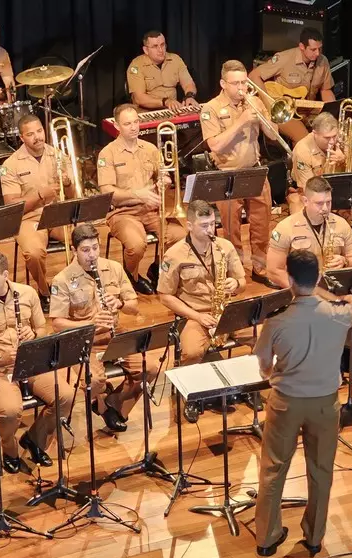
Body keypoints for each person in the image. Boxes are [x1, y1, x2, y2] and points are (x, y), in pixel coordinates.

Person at [253, 249, 352, 558]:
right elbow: (351, 313)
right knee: (321, 470)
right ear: (319, 277)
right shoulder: (341, 314)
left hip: (286, 403)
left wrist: (273, 370)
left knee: (273, 470)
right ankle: (313, 538)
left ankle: (267, 539)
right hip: (325, 403)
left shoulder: (277, 321)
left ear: (291, 280)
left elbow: (264, 364)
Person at [267, 176, 352, 398]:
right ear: (305, 201)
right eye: (319, 203)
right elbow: (273, 270)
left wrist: (345, 262)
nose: (325, 208)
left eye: (328, 202)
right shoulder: (286, 227)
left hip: (338, 288)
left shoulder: (339, 224)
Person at [0, 251, 74, 474]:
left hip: (31, 363)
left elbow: (42, 330)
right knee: (9, 411)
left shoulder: (28, 294)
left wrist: (33, 334)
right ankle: (9, 450)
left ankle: (34, 439)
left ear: (5, 275)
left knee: (65, 396)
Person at [49, 224, 160, 432]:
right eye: (85, 250)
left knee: (150, 367)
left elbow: (134, 307)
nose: (92, 255)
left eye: (95, 248)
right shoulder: (62, 280)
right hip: (84, 343)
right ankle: (100, 403)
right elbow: (57, 324)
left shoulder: (113, 268)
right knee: (96, 381)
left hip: (114, 337)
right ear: (74, 250)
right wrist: (90, 323)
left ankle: (113, 404)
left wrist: (120, 304)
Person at [157, 199, 247, 422]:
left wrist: (236, 285)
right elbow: (164, 295)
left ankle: (247, 387)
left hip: (225, 310)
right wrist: (196, 316)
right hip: (195, 313)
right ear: (189, 226)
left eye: (212, 224)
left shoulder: (224, 246)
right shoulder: (174, 254)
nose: (210, 230)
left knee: (263, 334)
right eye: (204, 225)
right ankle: (193, 396)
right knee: (191, 352)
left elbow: (242, 279)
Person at [200, 60, 278, 288]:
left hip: (255, 169)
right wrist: (241, 122)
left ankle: (259, 267)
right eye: (235, 83)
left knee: (262, 225)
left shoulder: (253, 102)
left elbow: (273, 136)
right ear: (223, 83)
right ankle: (235, 272)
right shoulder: (211, 109)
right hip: (227, 174)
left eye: (244, 82)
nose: (241, 88)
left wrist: (265, 116)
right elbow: (215, 145)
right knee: (231, 229)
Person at [97, 103, 187, 294]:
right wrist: (137, 194)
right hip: (123, 213)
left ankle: (157, 267)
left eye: (136, 122)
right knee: (137, 245)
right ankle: (131, 276)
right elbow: (107, 192)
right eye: (128, 123)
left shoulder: (150, 148)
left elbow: (163, 176)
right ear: (117, 126)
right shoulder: (108, 153)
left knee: (181, 235)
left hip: (151, 209)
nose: (134, 127)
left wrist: (165, 180)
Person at [0, 114, 74, 311]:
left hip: (58, 213)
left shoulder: (59, 155)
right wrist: (40, 195)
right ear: (22, 138)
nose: (37, 137)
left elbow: (74, 195)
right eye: (30, 134)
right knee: (33, 253)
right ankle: (44, 291)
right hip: (28, 219)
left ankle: (73, 285)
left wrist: (68, 183)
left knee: (85, 237)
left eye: (39, 131)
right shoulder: (10, 165)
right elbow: (12, 206)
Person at [290, 112, 352, 248]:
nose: (332, 141)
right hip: (312, 195)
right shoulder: (302, 149)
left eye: (334, 136)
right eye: (327, 138)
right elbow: (308, 188)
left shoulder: (341, 140)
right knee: (300, 217)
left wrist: (345, 159)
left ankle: (351, 256)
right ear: (315, 133)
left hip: (340, 193)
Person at [249, 27, 336, 143]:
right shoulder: (284, 58)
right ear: (301, 47)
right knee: (304, 140)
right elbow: (253, 76)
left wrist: (333, 111)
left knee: (333, 133)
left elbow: (326, 90)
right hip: (286, 114)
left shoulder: (323, 61)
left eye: (320, 49)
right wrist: (270, 104)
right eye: (313, 49)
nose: (317, 53)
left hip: (310, 112)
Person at [126, 30, 199, 110]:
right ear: (146, 50)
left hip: (172, 109)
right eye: (155, 46)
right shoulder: (136, 65)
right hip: (146, 111)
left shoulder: (176, 59)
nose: (160, 50)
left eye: (162, 45)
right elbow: (139, 98)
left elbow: (188, 84)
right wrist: (165, 102)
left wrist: (189, 96)